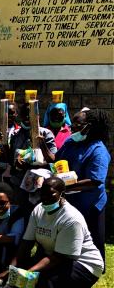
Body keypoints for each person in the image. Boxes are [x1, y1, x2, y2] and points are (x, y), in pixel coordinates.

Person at [0, 177, 104, 287]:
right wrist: (11, 270)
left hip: (84, 263)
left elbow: (58, 258)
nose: (45, 197)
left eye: (51, 193)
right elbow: (26, 244)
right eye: (42, 193)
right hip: (54, 257)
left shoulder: (71, 218)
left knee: (43, 282)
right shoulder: (39, 209)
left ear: (62, 194)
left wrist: (26, 273)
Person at [55, 109, 110, 263]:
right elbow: (57, 159)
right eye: (72, 125)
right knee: (71, 234)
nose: (72, 129)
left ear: (89, 127)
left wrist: (63, 187)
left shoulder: (98, 151)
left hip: (90, 202)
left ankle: (96, 265)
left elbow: (94, 181)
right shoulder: (71, 142)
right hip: (71, 200)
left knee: (93, 236)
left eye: (77, 126)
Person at [8, 102, 57, 205]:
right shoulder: (15, 135)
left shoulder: (45, 133)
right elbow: (11, 161)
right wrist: (16, 163)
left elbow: (52, 159)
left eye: (30, 114)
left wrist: (42, 143)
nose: (27, 117)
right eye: (24, 114)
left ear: (37, 116)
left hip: (40, 185)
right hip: (20, 184)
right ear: (19, 116)